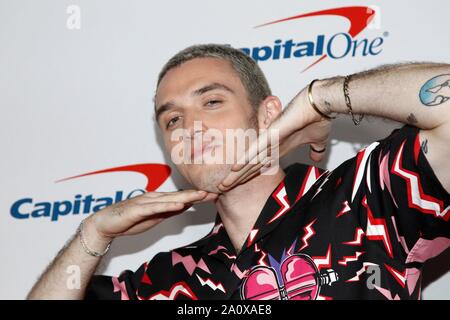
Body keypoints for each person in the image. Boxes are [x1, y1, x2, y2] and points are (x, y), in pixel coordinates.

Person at [27, 44, 450, 300]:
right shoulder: (173, 278)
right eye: (171, 120)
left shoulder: (364, 199)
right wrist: (94, 234)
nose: (190, 129)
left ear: (268, 115)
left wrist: (323, 99)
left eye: (211, 102)